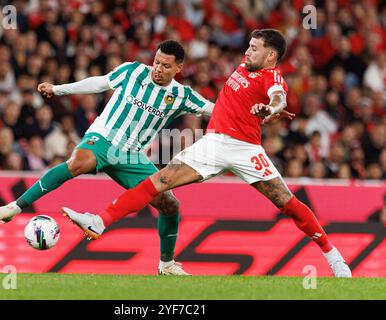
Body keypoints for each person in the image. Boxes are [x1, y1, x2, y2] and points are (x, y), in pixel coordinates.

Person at [62, 29, 352, 278]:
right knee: (159, 182)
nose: (248, 51)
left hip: (245, 148)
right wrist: (267, 110)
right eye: (249, 46)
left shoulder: (272, 75)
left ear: (271, 56)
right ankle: (99, 221)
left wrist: (272, 108)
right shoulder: (246, 65)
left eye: (255, 48)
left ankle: (333, 256)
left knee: (286, 203)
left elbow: (279, 96)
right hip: (212, 144)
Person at [0, 40, 216, 276]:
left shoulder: (182, 95)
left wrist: (252, 115)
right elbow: (99, 83)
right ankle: (15, 207)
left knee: (170, 205)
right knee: (79, 162)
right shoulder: (133, 71)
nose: (158, 68)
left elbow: (215, 111)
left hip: (132, 156)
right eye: (156, 62)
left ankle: (166, 265)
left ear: (179, 67)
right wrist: (58, 89)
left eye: (166, 66)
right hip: (104, 139)